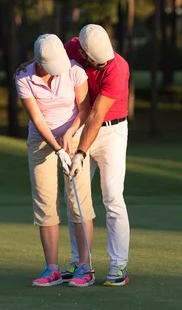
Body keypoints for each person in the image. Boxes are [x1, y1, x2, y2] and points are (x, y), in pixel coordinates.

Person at [17, 24, 131, 287]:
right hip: (79, 131)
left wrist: (79, 153)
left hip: (109, 131)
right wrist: (27, 65)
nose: (101, 66)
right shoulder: (70, 48)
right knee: (76, 198)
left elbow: (94, 115)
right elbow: (43, 56)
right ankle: (79, 262)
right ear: (82, 51)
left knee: (112, 196)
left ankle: (118, 265)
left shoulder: (116, 67)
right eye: (96, 62)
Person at [15, 33, 96, 288]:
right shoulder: (24, 77)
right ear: (39, 62)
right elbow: (37, 120)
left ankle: (85, 267)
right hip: (41, 142)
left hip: (74, 137)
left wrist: (70, 137)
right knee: (45, 202)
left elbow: (84, 110)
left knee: (78, 201)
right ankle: (52, 269)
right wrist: (56, 148)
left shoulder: (74, 70)